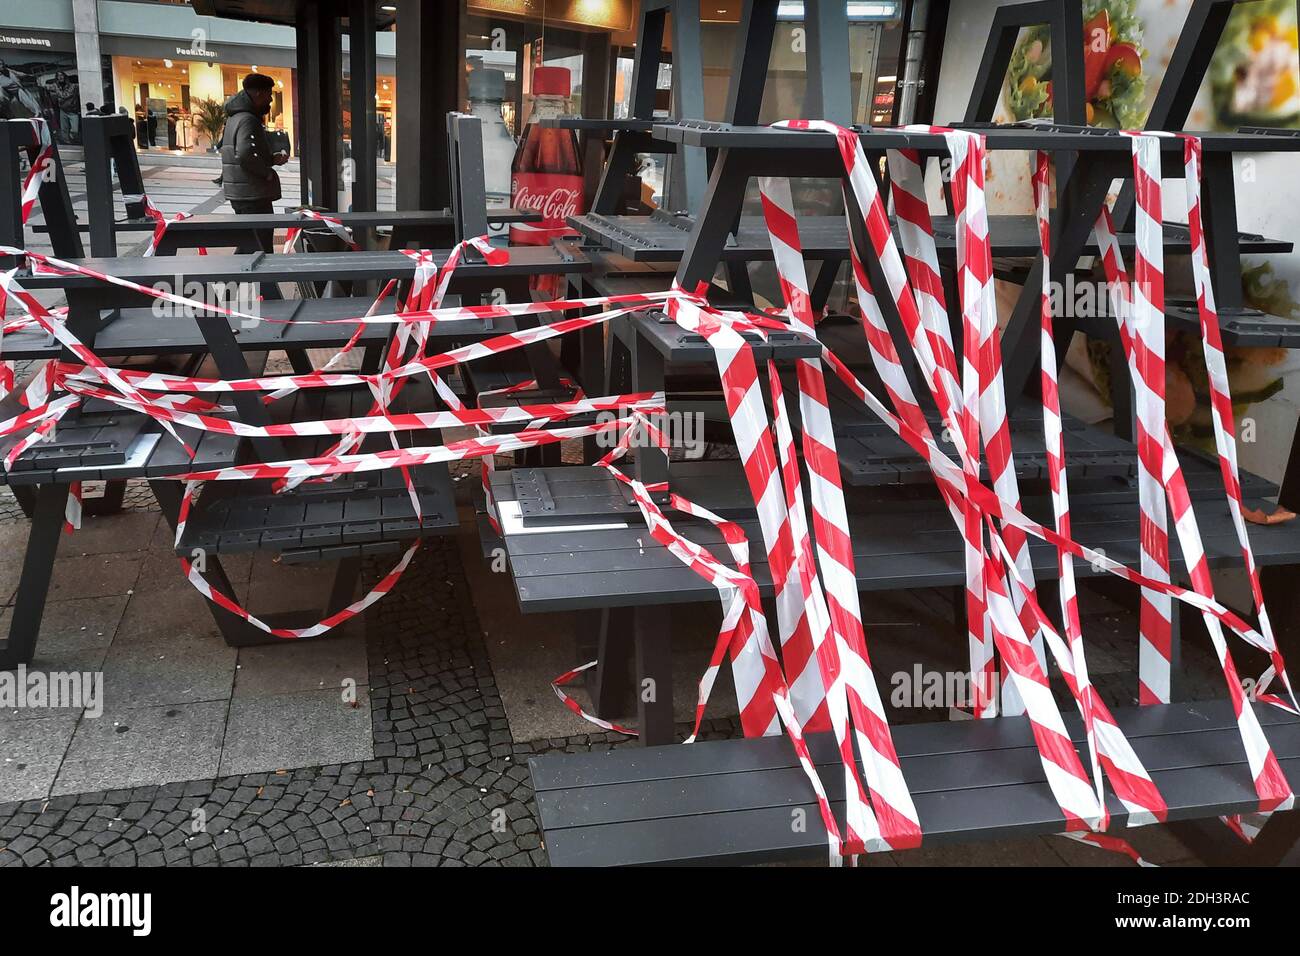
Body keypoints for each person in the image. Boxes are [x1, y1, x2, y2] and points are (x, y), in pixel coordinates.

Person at [219, 72, 287, 251]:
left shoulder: (235, 117)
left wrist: (271, 159)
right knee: (261, 246)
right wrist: (266, 173)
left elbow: (242, 153)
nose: (271, 100)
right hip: (253, 194)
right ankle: (261, 279)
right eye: (269, 94)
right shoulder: (248, 119)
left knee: (250, 243)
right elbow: (245, 154)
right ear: (258, 94)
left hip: (242, 192)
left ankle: (234, 278)